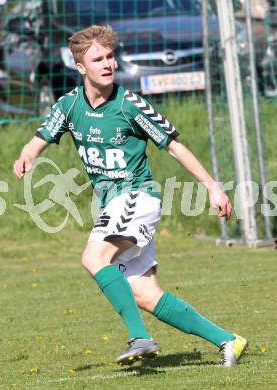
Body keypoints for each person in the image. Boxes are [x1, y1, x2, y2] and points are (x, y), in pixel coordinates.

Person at [13, 25, 247, 367]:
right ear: (81, 67)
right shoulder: (69, 105)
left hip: (137, 196)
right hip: (114, 203)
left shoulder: (129, 105)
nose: (108, 64)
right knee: (145, 294)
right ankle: (228, 340)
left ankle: (140, 338)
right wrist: (27, 155)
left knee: (94, 258)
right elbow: (39, 137)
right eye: (98, 59)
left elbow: (174, 145)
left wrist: (211, 185)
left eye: (110, 57)